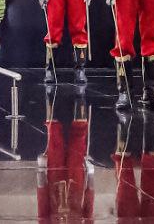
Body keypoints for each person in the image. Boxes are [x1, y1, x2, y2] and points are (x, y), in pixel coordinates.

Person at [36, 91, 94, 220]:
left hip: (55, 184)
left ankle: (50, 93)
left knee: (54, 140)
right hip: (76, 185)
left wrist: (40, 172)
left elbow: (43, 210)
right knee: (79, 139)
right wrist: (90, 176)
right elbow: (88, 212)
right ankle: (81, 93)